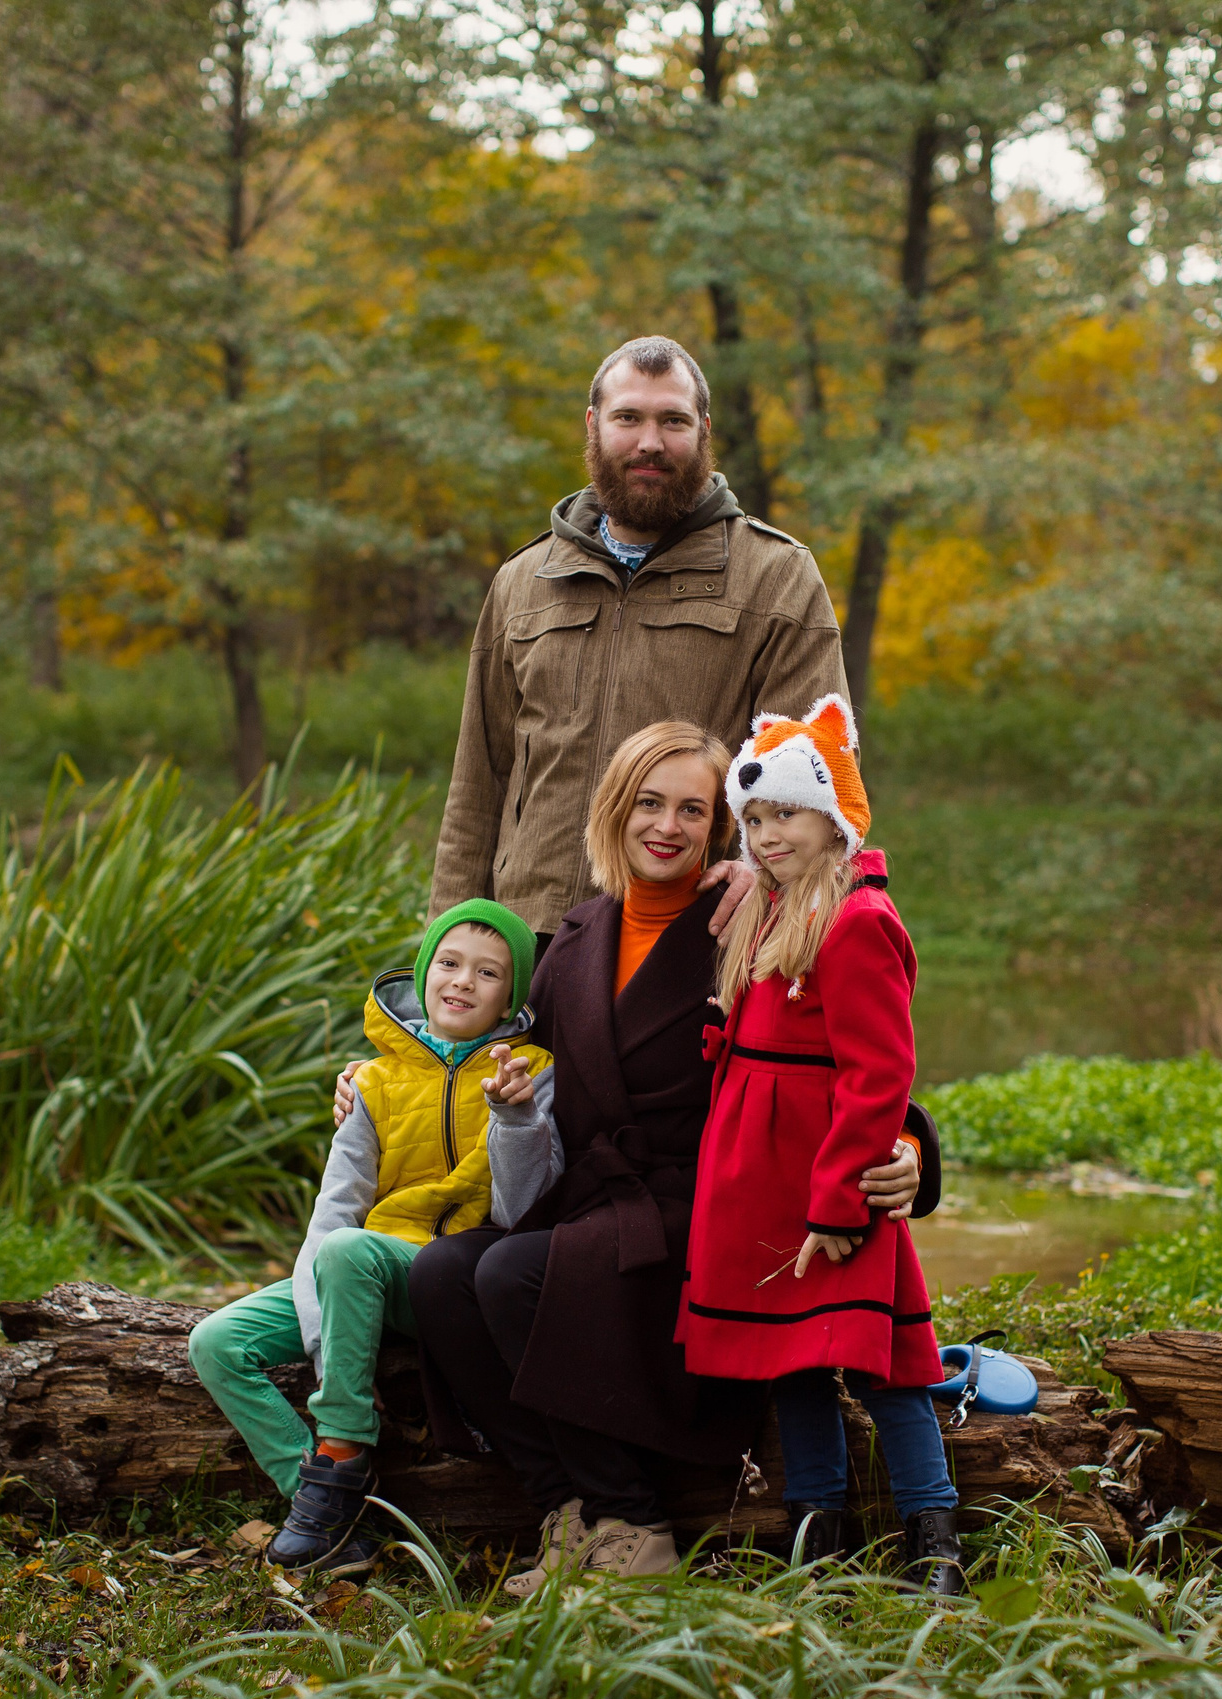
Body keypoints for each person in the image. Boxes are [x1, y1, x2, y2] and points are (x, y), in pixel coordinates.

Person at [400, 722, 930, 1594]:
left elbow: (850, 1061)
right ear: (615, 810)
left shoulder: (749, 922)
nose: (669, 826)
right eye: (650, 802)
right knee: (443, 1277)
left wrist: (909, 1147)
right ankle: (568, 1508)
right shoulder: (573, 940)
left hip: (705, 1208)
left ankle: (634, 1521)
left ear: (720, 826)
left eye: (692, 808)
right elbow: (480, 1039)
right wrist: (377, 1074)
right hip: (596, 1193)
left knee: (512, 1277)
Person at [678, 695, 963, 1596]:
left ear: (834, 816)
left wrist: (842, 1202)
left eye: (786, 814)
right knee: (787, 1358)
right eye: (753, 817)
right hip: (760, 1179)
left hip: (822, 1176)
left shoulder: (856, 921)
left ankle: (934, 1538)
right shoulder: (769, 911)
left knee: (888, 1363)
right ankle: (816, 1529)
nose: (766, 835)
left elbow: (879, 1075)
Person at [429, 335, 846, 938]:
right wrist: (449, 937)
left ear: (703, 431)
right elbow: (478, 781)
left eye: (672, 420)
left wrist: (760, 875)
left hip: (690, 940)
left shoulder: (777, 577)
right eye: (629, 417)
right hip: (528, 938)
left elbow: (821, 774)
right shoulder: (523, 581)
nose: (650, 441)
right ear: (594, 426)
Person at [187, 900, 557, 1575]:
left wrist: (515, 1115)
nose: (462, 981)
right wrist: (327, 1341)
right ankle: (328, 1505)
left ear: (513, 994)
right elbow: (334, 1213)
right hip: (358, 1270)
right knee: (215, 1342)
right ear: (422, 973)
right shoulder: (375, 1079)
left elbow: (520, 1209)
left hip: (449, 1278)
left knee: (350, 1253)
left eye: (488, 972)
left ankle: (344, 1446)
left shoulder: (527, 1069)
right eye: (448, 962)